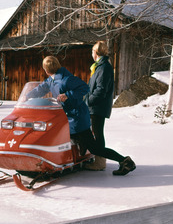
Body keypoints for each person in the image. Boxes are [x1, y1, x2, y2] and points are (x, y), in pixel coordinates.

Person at [28, 55, 135, 176]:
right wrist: (27, 96)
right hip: (67, 117)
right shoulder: (51, 80)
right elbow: (41, 89)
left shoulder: (66, 79)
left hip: (77, 119)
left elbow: (85, 88)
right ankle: (71, 154)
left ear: (46, 70)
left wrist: (68, 94)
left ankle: (125, 161)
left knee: (95, 149)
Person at [84, 41, 136, 175]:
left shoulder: (103, 67)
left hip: (97, 107)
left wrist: (87, 101)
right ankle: (100, 163)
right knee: (98, 138)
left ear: (96, 53)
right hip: (96, 107)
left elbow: (100, 90)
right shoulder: (99, 66)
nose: (91, 54)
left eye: (92, 51)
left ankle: (125, 161)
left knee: (96, 142)